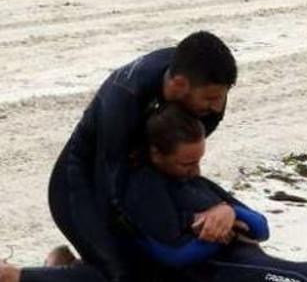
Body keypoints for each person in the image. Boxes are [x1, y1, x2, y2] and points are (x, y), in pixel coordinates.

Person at [121, 103, 307, 282]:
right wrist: (221, 236)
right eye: (187, 163)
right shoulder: (145, 187)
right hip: (222, 272)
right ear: (156, 154)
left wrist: (228, 213)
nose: (196, 170)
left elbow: (261, 226)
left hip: (255, 261)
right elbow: (171, 255)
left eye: (199, 160)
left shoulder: (196, 184)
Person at [46, 31, 238, 282]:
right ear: (179, 85)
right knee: (121, 271)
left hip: (137, 167)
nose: (216, 107)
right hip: (83, 182)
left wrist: (216, 210)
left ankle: (68, 266)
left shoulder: (201, 80)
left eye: (221, 97)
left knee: (151, 265)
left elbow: (179, 166)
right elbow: (112, 192)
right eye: (211, 99)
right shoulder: (124, 100)